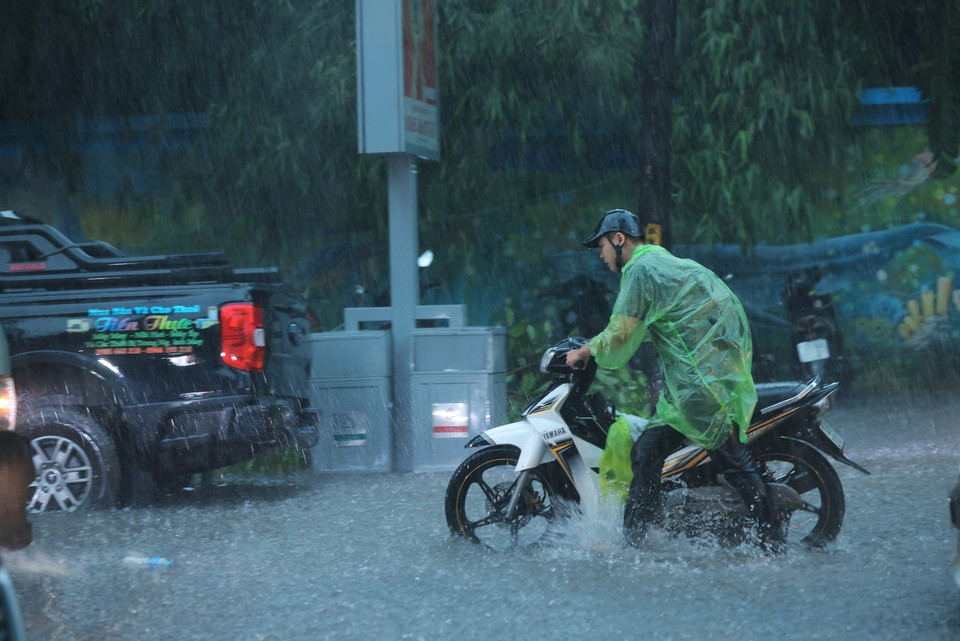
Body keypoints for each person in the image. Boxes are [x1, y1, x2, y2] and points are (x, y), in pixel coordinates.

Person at [565, 209, 784, 552]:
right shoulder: (658, 263)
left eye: (602, 247)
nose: (602, 255)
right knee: (646, 454)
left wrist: (585, 351)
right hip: (691, 385)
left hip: (701, 385)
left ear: (619, 239)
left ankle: (774, 545)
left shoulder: (639, 268)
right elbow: (651, 326)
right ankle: (637, 544)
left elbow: (621, 333)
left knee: (733, 460)